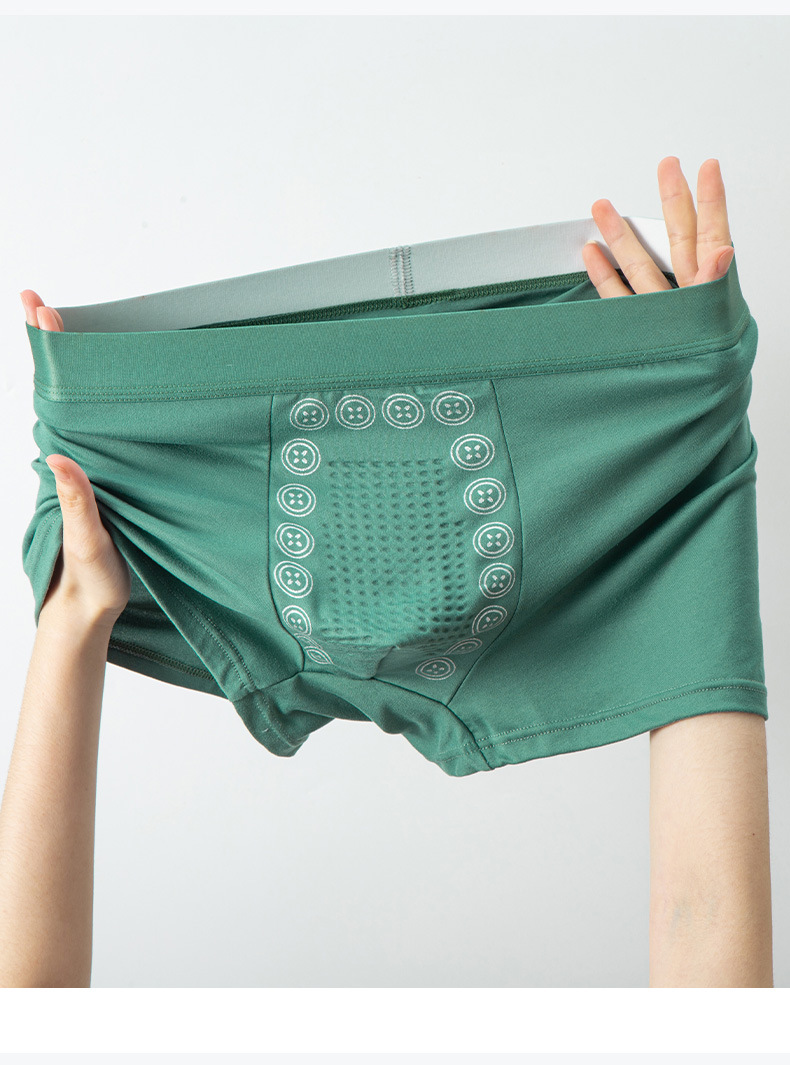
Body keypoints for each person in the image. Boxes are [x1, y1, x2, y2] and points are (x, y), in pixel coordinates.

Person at [0, 157, 773, 988]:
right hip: (593, 436)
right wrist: (680, 417)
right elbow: (702, 918)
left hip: (189, 466)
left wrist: (75, 614)